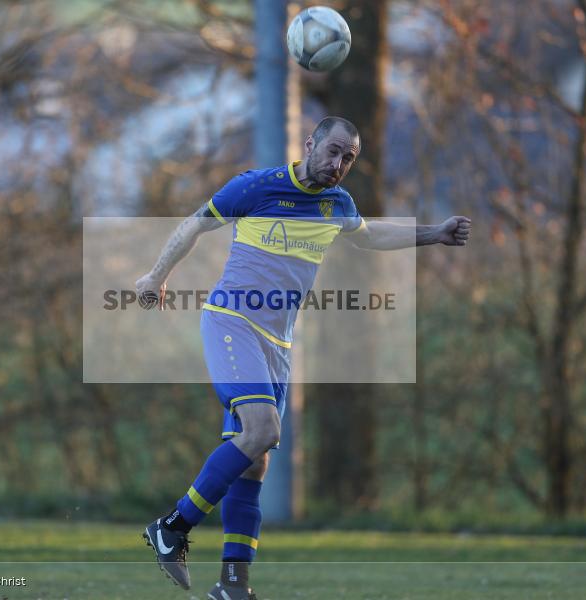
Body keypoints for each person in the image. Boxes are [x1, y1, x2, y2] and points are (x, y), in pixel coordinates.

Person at [137, 116, 471, 599]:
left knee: (255, 462)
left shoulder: (337, 204)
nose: (338, 164)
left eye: (349, 158)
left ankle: (233, 584)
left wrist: (435, 233)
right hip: (232, 323)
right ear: (310, 144)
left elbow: (370, 236)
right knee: (263, 431)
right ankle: (172, 527)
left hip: (277, 345)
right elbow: (194, 225)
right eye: (332, 151)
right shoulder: (257, 186)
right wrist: (155, 276)